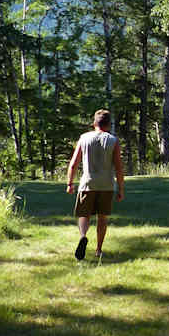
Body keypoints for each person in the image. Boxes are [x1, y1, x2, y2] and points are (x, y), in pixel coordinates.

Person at [65, 108, 125, 261]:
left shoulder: (84, 138)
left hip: (87, 183)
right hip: (106, 185)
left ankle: (83, 236)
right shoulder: (113, 140)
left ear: (94, 123)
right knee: (102, 218)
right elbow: (118, 167)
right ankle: (98, 249)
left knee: (83, 215)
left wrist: (70, 183)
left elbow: (73, 164)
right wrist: (121, 189)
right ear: (108, 125)